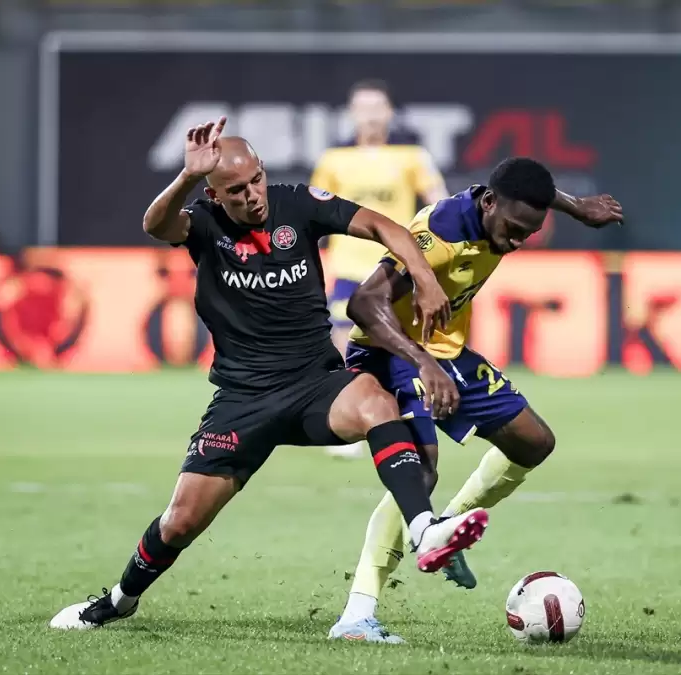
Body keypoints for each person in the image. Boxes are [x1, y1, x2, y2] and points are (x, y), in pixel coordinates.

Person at [49, 118, 488, 630]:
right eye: (236, 190)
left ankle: (423, 529)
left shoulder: (296, 204)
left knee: (375, 400)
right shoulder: (204, 223)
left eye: (256, 179)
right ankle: (119, 601)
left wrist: (424, 276)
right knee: (180, 522)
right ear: (214, 195)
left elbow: (384, 227)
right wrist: (187, 176)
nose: (253, 195)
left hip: (315, 384)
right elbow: (156, 225)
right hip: (244, 399)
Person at [326, 157, 623, 642]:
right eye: (513, 228)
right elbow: (363, 303)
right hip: (390, 349)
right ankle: (357, 616)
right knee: (420, 472)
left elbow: (532, 191)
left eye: (529, 232)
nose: (517, 240)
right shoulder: (439, 236)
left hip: (444, 352)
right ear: (488, 203)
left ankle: (446, 527)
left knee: (533, 442)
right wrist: (423, 363)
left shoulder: (505, 206)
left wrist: (576, 207)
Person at [310, 79, 449, 459]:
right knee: (344, 343)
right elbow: (315, 213)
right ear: (352, 113)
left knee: (398, 345)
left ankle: (406, 418)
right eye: (363, 107)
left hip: (393, 267)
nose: (370, 115)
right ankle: (351, 424)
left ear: (389, 112)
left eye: (377, 107)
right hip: (348, 265)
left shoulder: (411, 156)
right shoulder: (334, 160)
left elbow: (438, 201)